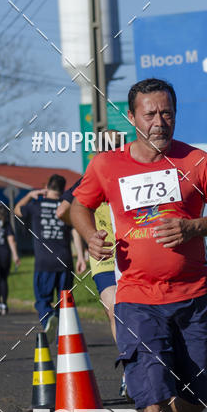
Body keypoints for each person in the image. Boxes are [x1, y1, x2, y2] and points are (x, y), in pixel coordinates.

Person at [70, 78, 207, 412]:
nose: (159, 121)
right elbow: (79, 205)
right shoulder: (107, 165)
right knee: (150, 393)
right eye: (150, 113)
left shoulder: (197, 161)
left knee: (195, 397)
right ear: (132, 118)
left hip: (193, 296)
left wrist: (192, 228)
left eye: (166, 112)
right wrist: (90, 236)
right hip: (137, 298)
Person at [57, 130, 129, 397]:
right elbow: (64, 211)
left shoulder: (129, 173)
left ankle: (138, 371)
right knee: (118, 311)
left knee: (123, 312)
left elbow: (62, 211)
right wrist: (88, 233)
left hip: (125, 254)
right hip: (108, 254)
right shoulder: (91, 178)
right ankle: (131, 370)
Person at [14, 174, 84, 334]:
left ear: (47, 187)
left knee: (42, 300)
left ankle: (48, 319)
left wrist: (30, 195)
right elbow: (75, 231)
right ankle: (65, 332)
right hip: (65, 261)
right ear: (63, 189)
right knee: (64, 301)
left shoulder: (35, 206)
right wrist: (80, 256)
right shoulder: (66, 206)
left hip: (44, 262)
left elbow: (17, 210)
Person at [0, 202, 20, 315]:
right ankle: (4, 303)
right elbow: (11, 241)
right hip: (4, 254)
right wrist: (15, 255)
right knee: (3, 279)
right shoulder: (6, 224)